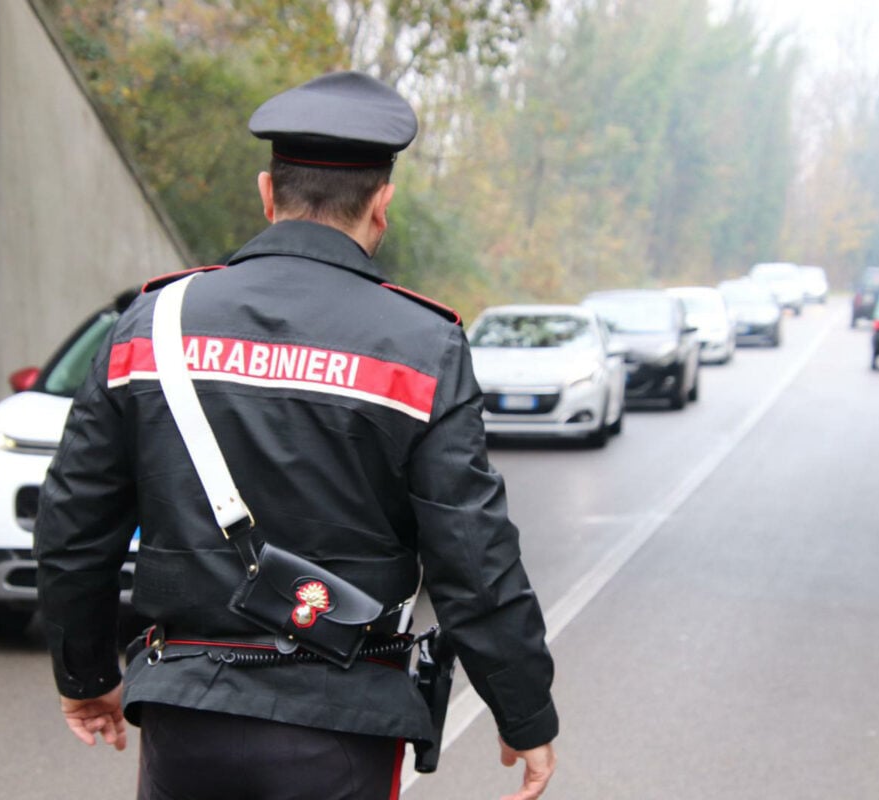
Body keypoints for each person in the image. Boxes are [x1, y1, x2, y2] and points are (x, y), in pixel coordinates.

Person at [34, 70, 558, 800]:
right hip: (345, 722)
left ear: (266, 193)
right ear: (383, 204)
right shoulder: (420, 345)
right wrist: (523, 709)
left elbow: (73, 523)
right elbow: (472, 555)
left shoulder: (152, 325)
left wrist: (85, 675)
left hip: (186, 717)